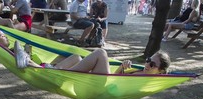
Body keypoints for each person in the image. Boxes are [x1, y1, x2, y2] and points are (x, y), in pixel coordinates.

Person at [14, 39, 171, 75]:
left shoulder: (148, 81)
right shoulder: (140, 72)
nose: (148, 64)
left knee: (101, 53)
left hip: (103, 86)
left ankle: (28, 61)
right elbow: (119, 79)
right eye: (148, 60)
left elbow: (118, 87)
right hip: (105, 80)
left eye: (152, 65)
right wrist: (122, 68)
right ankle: (49, 68)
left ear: (161, 72)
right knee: (76, 57)